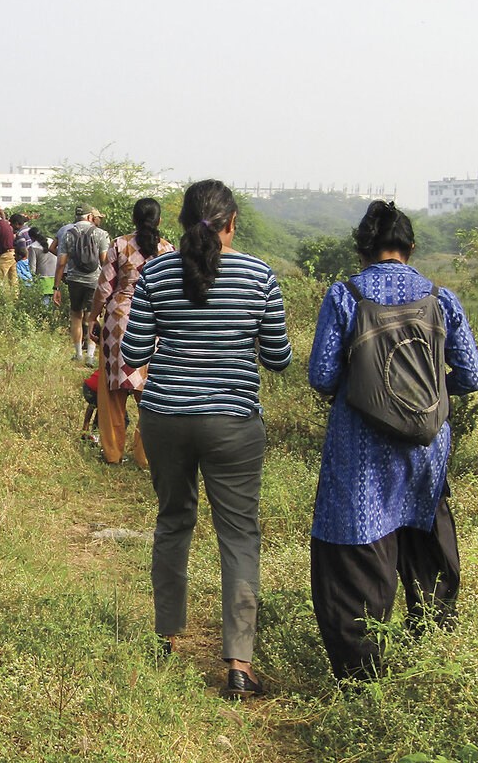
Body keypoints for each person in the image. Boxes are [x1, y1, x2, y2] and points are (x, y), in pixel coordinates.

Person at [122, 179, 292, 699]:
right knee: (239, 537)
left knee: (173, 521)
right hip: (233, 424)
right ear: (232, 222)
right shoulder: (259, 275)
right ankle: (238, 667)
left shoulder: (155, 273)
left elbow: (132, 352)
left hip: (166, 418)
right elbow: (279, 358)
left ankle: (165, 640)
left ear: (181, 223)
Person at [307, 200, 478, 683]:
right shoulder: (439, 297)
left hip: (359, 448)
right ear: (410, 247)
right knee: (423, 532)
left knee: (359, 543)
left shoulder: (346, 296)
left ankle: (362, 677)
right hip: (427, 449)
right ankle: (432, 658)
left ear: (363, 248)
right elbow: (472, 376)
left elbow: (322, 375)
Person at [89, 197, 175, 465]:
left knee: (113, 393)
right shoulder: (168, 250)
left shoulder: (120, 244)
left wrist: (93, 317)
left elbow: (105, 287)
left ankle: (112, 453)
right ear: (159, 220)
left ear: (134, 220)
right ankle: (145, 456)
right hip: (155, 325)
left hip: (118, 321)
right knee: (148, 394)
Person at [52, 206, 109, 366]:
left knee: (76, 315)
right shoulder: (100, 233)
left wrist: (56, 288)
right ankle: (90, 355)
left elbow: (61, 262)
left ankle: (78, 354)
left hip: (74, 280)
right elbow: (105, 261)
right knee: (93, 316)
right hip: (95, 281)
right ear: (90, 216)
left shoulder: (68, 234)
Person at [28, 227, 57, 297]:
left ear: (32, 237)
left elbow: (32, 266)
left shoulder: (33, 247)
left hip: (42, 278)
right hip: (56, 276)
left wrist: (33, 279)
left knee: (45, 302)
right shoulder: (51, 241)